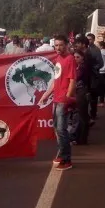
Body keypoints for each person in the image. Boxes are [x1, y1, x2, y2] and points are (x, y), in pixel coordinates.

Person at [38, 35, 75, 171]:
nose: (58, 48)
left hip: (62, 101)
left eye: (61, 45)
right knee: (57, 130)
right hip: (56, 99)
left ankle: (66, 159)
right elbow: (56, 81)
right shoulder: (58, 59)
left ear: (66, 45)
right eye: (56, 45)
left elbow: (72, 81)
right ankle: (61, 154)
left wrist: (67, 98)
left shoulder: (70, 59)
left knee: (61, 130)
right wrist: (46, 94)